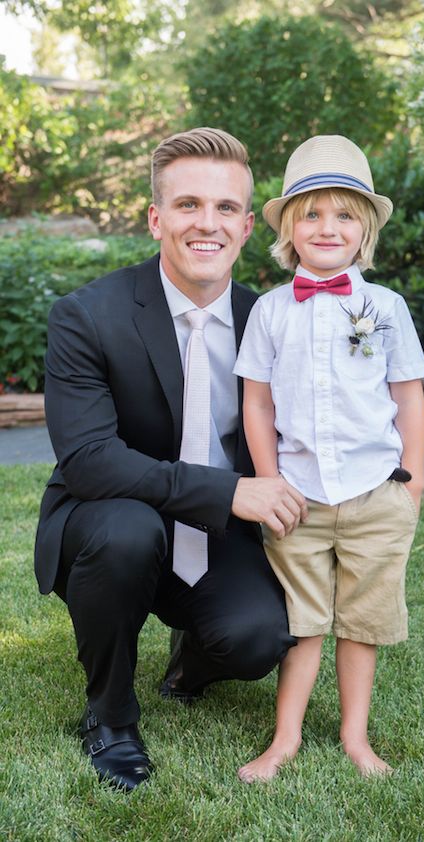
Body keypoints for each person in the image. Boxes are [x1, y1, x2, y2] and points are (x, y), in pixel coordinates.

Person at [34, 127, 307, 792]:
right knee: (127, 532)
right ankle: (111, 717)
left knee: (256, 638)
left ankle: (193, 658)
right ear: (157, 219)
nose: (205, 224)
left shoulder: (273, 322)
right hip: (111, 522)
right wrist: (228, 491)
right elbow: (91, 462)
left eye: (223, 209)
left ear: (246, 227)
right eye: (187, 205)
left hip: (218, 535)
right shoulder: (86, 316)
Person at [232, 135, 424, 782]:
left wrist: (414, 485)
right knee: (305, 624)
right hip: (300, 497)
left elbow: (408, 401)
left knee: (362, 624)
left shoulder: (387, 309)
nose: (327, 226)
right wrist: (268, 480)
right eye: (312, 213)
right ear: (289, 226)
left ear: (364, 230)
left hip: (376, 493)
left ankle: (354, 738)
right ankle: (284, 738)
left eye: (344, 214)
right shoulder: (268, 312)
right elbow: (256, 405)